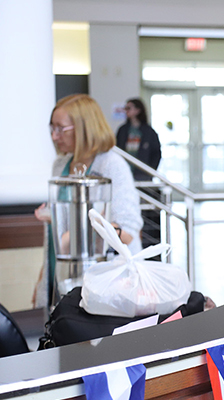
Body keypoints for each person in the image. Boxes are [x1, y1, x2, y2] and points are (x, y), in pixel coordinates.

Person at [33, 94, 143, 308]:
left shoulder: (112, 165)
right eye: (52, 129)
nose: (55, 136)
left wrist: (72, 230)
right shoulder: (61, 164)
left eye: (60, 129)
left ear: (84, 128)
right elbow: (57, 240)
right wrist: (42, 281)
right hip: (62, 272)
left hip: (105, 280)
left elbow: (128, 231)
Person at [116, 98, 161, 181]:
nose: (126, 111)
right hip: (124, 171)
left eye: (128, 108)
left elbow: (156, 153)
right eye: (125, 108)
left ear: (137, 110)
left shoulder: (149, 132)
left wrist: (150, 171)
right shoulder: (123, 130)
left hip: (142, 173)